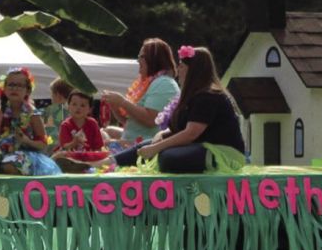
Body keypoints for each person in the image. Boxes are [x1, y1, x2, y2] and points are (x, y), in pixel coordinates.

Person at [135, 45, 246, 173]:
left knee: (166, 158)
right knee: (146, 145)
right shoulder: (192, 97)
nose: (178, 69)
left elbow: (190, 133)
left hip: (222, 152)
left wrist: (156, 148)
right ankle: (111, 161)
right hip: (200, 147)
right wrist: (159, 137)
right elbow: (177, 131)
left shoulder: (209, 96)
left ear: (193, 70)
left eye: (182, 65)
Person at [99, 38, 180, 149]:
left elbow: (151, 120)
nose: (138, 61)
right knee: (103, 134)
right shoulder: (150, 82)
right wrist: (115, 106)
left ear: (153, 59)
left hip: (146, 147)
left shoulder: (164, 83)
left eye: (141, 57)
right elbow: (129, 121)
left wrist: (122, 102)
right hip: (132, 143)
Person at [0, 67, 60, 176]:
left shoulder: (32, 113)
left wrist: (26, 141)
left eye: (19, 85)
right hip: (2, 149)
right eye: (11, 85)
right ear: (4, 88)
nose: (14, 89)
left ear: (27, 90)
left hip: (25, 151)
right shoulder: (1, 109)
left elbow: (43, 144)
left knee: (9, 166)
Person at [51, 87, 109, 169]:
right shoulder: (66, 125)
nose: (78, 108)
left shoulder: (92, 123)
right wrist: (75, 142)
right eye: (74, 104)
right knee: (61, 155)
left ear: (90, 109)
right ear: (68, 106)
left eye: (83, 105)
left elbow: (98, 147)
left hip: (88, 156)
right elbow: (65, 146)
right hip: (70, 156)